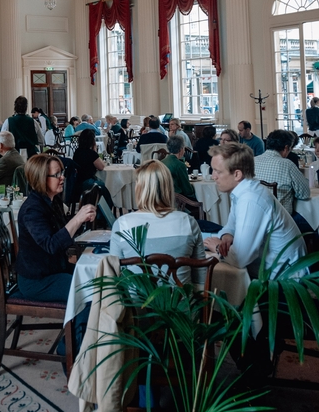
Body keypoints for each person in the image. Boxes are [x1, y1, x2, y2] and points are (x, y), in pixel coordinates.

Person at [204, 143, 306, 277]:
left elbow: (240, 259)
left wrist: (217, 247)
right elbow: (230, 226)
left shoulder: (250, 199)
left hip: (284, 281)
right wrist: (226, 236)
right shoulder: (244, 191)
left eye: (218, 171)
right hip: (270, 271)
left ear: (237, 174)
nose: (213, 176)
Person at [16, 154, 97, 305]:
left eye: (62, 172)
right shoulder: (32, 210)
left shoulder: (53, 201)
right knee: (89, 291)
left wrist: (83, 223)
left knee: (97, 279)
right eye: (57, 174)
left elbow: (62, 233)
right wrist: (77, 219)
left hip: (55, 269)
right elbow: (51, 245)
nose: (63, 177)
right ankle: (82, 328)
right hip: (37, 280)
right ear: (41, 178)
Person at [110, 160, 206, 285]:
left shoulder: (122, 224)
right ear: (169, 187)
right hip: (181, 302)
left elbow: (116, 278)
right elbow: (201, 278)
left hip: (135, 303)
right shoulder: (188, 222)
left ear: (139, 189)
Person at [254, 129, 310, 222]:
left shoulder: (252, 161)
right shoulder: (287, 164)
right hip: (280, 221)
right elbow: (304, 194)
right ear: (286, 148)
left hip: (255, 216)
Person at [72, 128, 113, 207]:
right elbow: (101, 167)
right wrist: (95, 150)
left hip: (77, 182)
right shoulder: (91, 153)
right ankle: (104, 212)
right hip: (88, 182)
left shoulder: (77, 152)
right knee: (103, 187)